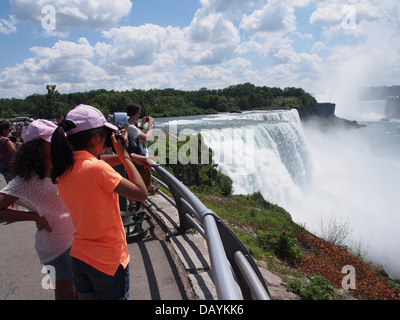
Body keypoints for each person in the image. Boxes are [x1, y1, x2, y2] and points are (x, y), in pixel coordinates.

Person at [50, 104, 147, 300]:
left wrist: (120, 156)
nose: (107, 142)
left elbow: (95, 160)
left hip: (80, 256)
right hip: (107, 260)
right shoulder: (97, 169)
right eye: (105, 137)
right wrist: (125, 155)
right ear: (95, 138)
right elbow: (140, 193)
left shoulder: (63, 167)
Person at [0, 119, 76, 300]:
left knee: (80, 293)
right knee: (67, 295)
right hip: (56, 246)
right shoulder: (27, 179)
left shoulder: (60, 168)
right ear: (38, 147)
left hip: (75, 241)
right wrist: (34, 216)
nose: (59, 145)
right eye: (53, 141)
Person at [126, 103, 158, 196]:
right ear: (137, 114)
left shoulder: (128, 125)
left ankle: (149, 191)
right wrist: (150, 125)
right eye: (139, 113)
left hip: (137, 156)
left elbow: (137, 137)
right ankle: (143, 199)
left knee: (143, 181)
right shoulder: (131, 127)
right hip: (141, 157)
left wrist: (141, 125)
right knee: (145, 184)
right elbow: (147, 138)